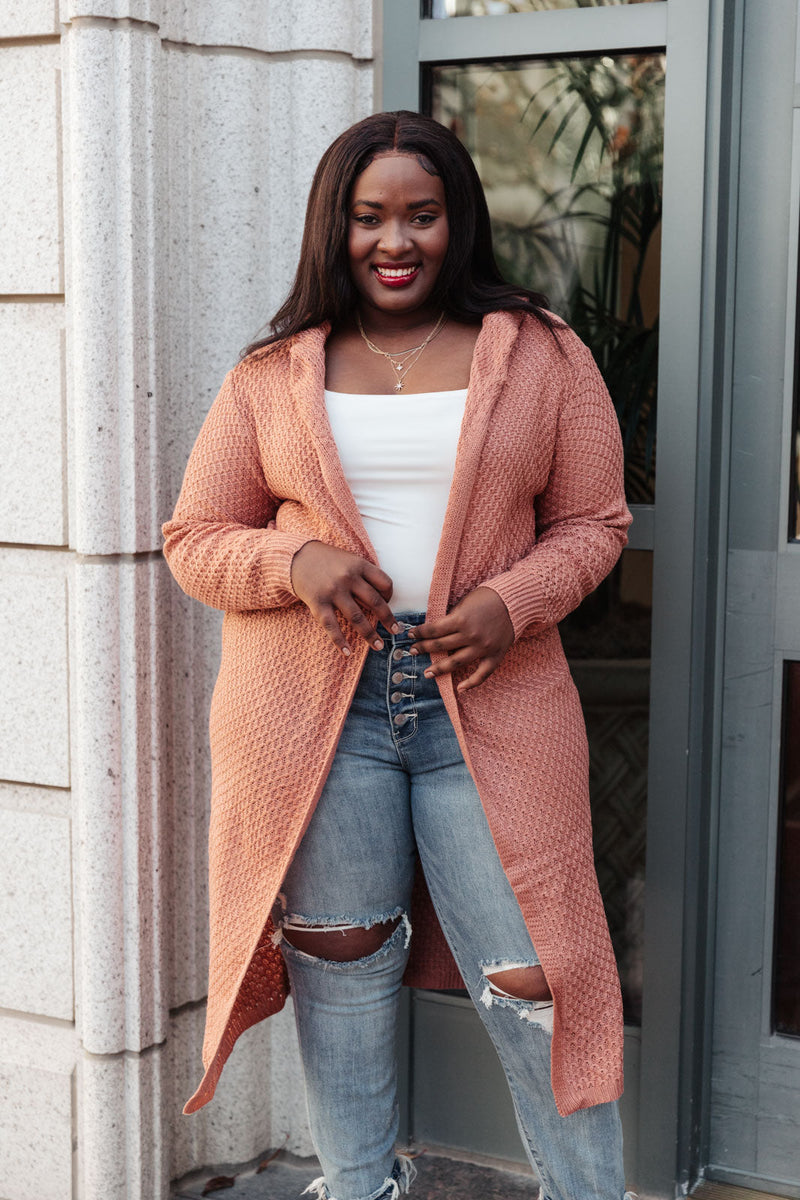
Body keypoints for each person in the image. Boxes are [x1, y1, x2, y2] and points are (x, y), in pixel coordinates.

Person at [163, 110, 634, 1200]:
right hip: (321, 719)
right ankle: (360, 1187)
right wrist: (298, 564)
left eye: (420, 215)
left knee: (539, 982)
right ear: (334, 228)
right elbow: (194, 538)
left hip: (493, 705)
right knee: (342, 976)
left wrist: (513, 603)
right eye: (369, 216)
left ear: (455, 221)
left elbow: (596, 521)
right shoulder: (272, 375)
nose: (394, 240)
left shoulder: (541, 354)